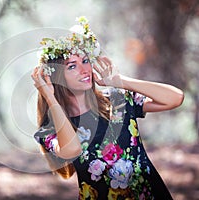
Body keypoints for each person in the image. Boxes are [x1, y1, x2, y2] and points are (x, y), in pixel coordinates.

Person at [31, 16, 184, 200]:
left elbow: (175, 98)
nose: (84, 70)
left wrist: (120, 81)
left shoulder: (117, 100)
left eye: (85, 61)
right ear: (56, 78)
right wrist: (50, 96)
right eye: (72, 66)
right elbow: (71, 150)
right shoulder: (49, 130)